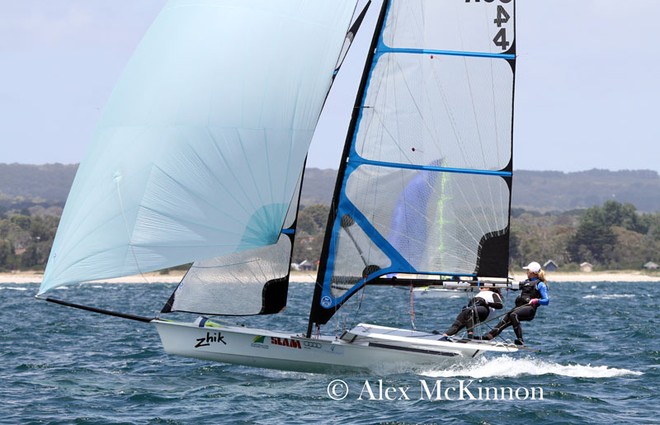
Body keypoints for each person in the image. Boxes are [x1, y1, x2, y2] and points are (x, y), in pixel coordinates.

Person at [477, 261, 549, 346]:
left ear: (532, 272)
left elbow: (546, 300)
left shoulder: (540, 284)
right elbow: (515, 286)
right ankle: (488, 337)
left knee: (513, 315)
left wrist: (536, 300)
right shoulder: (526, 282)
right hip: (520, 308)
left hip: (529, 309)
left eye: (528, 271)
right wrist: (508, 287)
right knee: (505, 319)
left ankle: (520, 339)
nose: (526, 272)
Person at [434, 286, 504, 339]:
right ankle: (446, 335)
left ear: (489, 287)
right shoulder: (479, 294)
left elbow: (500, 305)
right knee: (459, 320)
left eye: (483, 286)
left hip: (484, 310)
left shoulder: (493, 294)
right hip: (472, 311)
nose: (480, 287)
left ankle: (470, 336)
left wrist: (486, 302)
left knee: (470, 311)